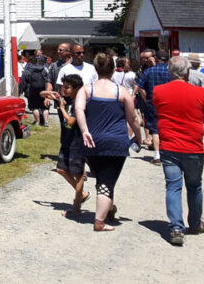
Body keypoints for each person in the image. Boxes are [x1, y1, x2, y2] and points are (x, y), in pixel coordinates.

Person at [75, 53, 141, 232]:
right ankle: (99, 221)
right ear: (113, 70)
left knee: (103, 177)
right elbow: (133, 118)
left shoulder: (86, 89)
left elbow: (79, 109)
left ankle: (109, 209)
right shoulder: (122, 91)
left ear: (96, 69)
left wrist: (84, 130)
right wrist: (138, 136)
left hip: (91, 141)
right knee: (106, 181)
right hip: (116, 142)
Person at [153, 55, 204, 246]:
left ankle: (176, 228)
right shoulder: (200, 92)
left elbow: (157, 109)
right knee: (194, 186)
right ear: (187, 72)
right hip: (193, 146)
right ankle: (195, 224)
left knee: (173, 186)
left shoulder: (158, 91)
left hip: (169, 145)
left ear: (169, 72)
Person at [42, 74, 88, 216]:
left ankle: (76, 207)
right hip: (66, 141)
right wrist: (51, 94)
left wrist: (62, 108)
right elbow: (41, 94)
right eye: (63, 87)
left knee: (78, 174)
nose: (64, 89)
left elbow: (71, 121)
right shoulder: (65, 99)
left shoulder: (78, 103)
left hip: (77, 142)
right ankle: (82, 194)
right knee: (61, 169)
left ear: (77, 88)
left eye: (67, 87)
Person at [137, 49, 170, 165]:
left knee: (155, 130)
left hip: (153, 103)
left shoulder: (149, 71)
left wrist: (146, 98)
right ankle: (168, 153)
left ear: (155, 58)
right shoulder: (171, 71)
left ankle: (157, 155)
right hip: (169, 103)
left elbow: (139, 85)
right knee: (168, 127)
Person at [20, 55, 49, 126]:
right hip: (43, 90)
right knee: (44, 106)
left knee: (34, 107)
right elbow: (48, 80)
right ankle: (46, 122)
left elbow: (23, 82)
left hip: (31, 91)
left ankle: (37, 122)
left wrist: (20, 91)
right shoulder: (44, 69)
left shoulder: (28, 70)